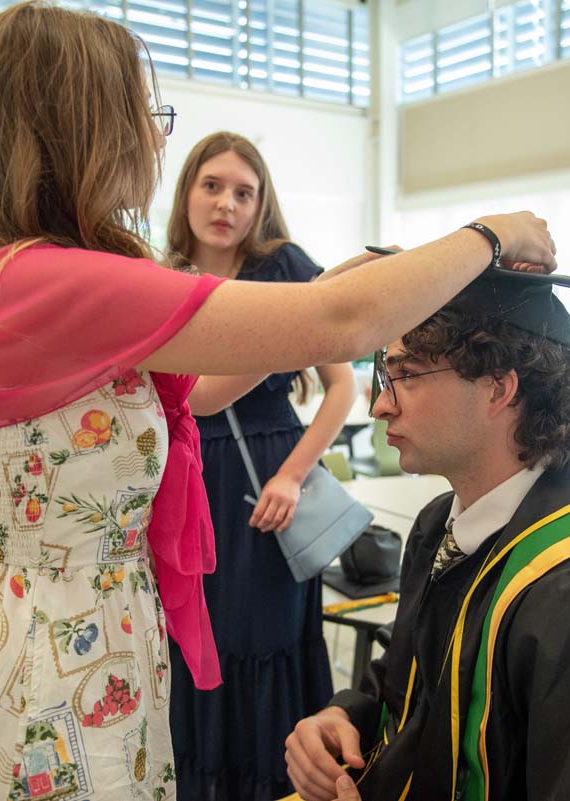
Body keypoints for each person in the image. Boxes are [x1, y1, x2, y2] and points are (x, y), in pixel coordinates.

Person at [0, 4, 556, 800]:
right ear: (80, 124)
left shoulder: (24, 275)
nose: (156, 138)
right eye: (144, 113)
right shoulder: (48, 279)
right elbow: (341, 324)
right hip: (38, 671)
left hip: (70, 636)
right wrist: (490, 234)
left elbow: (209, 381)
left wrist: (331, 282)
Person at [285, 269, 570, 801]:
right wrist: (345, 716)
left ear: (498, 388)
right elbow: (411, 679)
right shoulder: (440, 526)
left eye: (405, 376)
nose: (381, 405)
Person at [162, 132, 355, 800]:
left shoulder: (283, 267)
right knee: (200, 638)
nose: (226, 203)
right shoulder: (158, 279)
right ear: (186, 190)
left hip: (272, 472)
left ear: (261, 205)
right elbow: (185, 397)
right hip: (189, 481)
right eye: (212, 185)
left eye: (245, 192)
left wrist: (293, 475)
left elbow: (342, 386)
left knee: (266, 634)